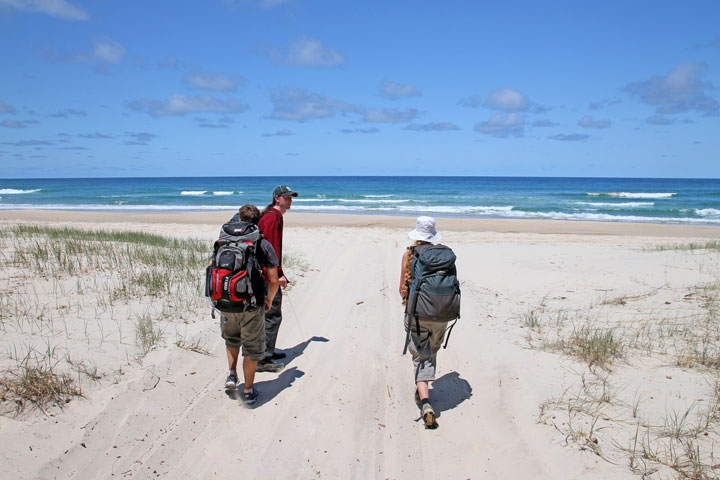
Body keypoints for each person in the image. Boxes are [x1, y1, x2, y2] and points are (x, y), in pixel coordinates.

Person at [221, 204, 282, 404]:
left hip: (226, 300)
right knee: (252, 347)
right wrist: (269, 299)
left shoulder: (223, 241)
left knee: (232, 339)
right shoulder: (262, 244)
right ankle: (247, 391)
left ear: (238, 219)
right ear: (258, 222)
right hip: (252, 303)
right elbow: (273, 280)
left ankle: (231, 375)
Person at [399, 216, 452, 429]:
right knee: (431, 351)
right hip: (442, 313)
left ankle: (426, 402)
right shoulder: (445, 257)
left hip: (417, 314)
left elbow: (402, 288)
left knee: (421, 354)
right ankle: (424, 386)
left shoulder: (409, 255)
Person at [256, 185, 298, 371]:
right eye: (286, 197)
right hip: (267, 276)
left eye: (291, 197)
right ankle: (262, 359)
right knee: (272, 315)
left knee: (269, 314)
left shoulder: (273, 216)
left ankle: (268, 351)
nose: (290, 200)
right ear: (276, 198)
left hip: (266, 273)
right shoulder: (272, 218)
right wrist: (278, 274)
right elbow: (271, 249)